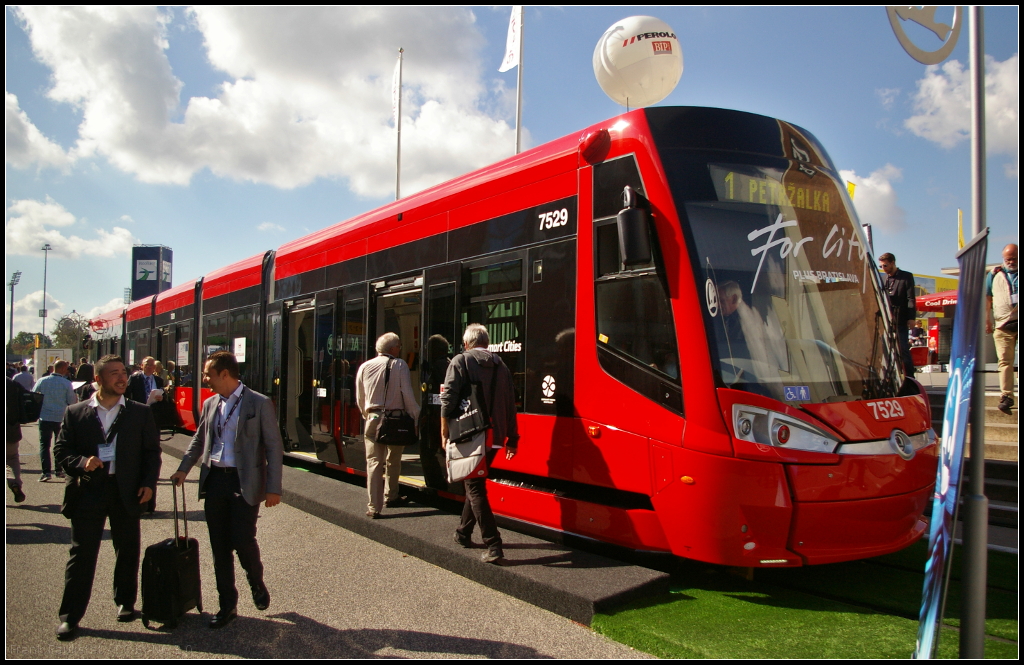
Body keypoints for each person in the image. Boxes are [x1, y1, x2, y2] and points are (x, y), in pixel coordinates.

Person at [170, 351, 283, 629]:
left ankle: (256, 581)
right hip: (215, 480)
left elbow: (273, 447)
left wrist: (273, 488)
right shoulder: (210, 403)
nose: (204, 379)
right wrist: (183, 469)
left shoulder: (259, 403)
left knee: (243, 540)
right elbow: (199, 440)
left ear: (224, 374)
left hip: (244, 481)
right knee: (219, 547)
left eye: (207, 374)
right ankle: (227, 605)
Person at [52, 354, 162, 640]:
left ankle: (125, 601)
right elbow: (61, 451)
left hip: (126, 490)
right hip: (89, 489)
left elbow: (152, 453)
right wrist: (81, 462)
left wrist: (149, 484)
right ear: (98, 379)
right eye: (114, 373)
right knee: (82, 554)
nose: (122, 378)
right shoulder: (75, 412)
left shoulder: (139, 412)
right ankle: (70, 616)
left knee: (127, 549)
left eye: (123, 372)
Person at [441, 324, 519, 564]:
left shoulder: (460, 361)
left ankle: (493, 543)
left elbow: (448, 399)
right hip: (495, 436)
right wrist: (512, 438)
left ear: (466, 344)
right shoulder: (501, 366)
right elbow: (510, 403)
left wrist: (444, 431)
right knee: (474, 482)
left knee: (474, 487)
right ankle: (463, 533)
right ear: (487, 342)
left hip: (470, 433)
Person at [354, 333, 420, 518]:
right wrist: (416, 415)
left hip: (373, 418)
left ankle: (373, 507)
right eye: (399, 346)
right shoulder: (399, 365)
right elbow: (407, 394)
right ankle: (391, 495)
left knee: (374, 462)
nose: (400, 349)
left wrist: (367, 415)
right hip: (395, 419)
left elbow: (360, 397)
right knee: (394, 459)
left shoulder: (364, 366)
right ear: (393, 348)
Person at [986, 243, 1018, 415]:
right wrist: (987, 319)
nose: (1011, 262)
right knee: (1005, 361)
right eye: (1008, 259)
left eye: (1014, 258)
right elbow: (987, 297)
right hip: (1002, 324)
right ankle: (1006, 396)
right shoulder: (994, 274)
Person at [33, 360, 78, 482]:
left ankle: (46, 472)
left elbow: (34, 395)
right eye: (66, 369)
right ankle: (59, 469)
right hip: (60, 417)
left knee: (44, 444)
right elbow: (71, 401)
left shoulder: (42, 381)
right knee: (59, 445)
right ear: (63, 369)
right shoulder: (66, 383)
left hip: (45, 416)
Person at [418, 334, 452, 491]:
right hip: (440, 414)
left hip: (435, 415)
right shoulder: (449, 363)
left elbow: (439, 393)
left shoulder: (438, 366)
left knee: (427, 449)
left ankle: (435, 482)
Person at [879, 252, 917, 376]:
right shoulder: (884, 279)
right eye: (881, 266)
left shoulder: (906, 276)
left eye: (885, 265)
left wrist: (911, 318)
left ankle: (910, 377)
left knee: (903, 348)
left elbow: (911, 298)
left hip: (900, 318)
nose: (883, 268)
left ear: (893, 263)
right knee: (886, 349)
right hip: (887, 319)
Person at [6, 377, 27, 503]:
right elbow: (26, 397)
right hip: (10, 428)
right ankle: (14, 482)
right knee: (11, 459)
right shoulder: (11, 383)